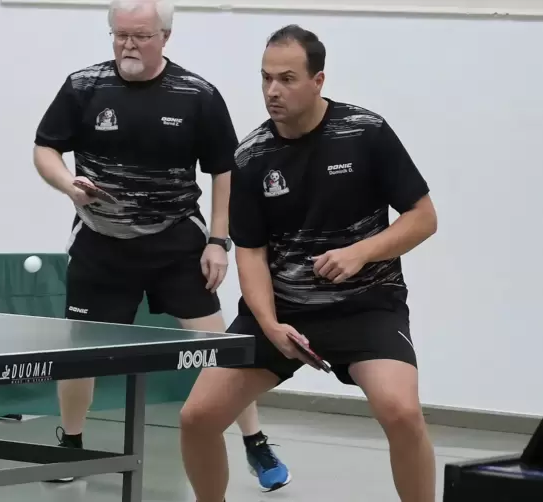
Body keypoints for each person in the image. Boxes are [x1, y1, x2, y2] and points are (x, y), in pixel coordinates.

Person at [31, 0, 291, 491]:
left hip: (176, 241)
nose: (128, 45)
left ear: (164, 38)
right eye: (120, 35)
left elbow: (223, 170)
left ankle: (255, 442)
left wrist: (219, 240)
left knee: (219, 348)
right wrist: (68, 184)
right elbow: (45, 147)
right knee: (78, 352)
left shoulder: (196, 94)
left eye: (140, 36)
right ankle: (70, 443)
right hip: (100, 242)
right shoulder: (84, 86)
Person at [179, 24, 439, 502]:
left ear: (318, 81)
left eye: (287, 78)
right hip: (283, 313)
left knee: (401, 413)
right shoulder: (251, 155)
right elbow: (252, 253)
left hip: (366, 307)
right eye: (265, 78)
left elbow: (423, 219)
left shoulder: (365, 132)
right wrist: (270, 324)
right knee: (197, 419)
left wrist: (362, 252)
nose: (272, 91)